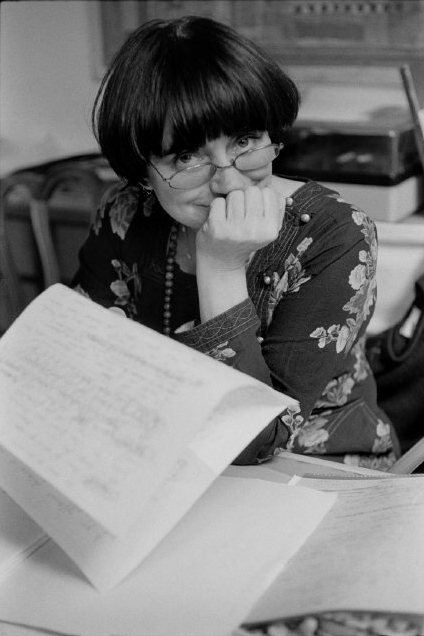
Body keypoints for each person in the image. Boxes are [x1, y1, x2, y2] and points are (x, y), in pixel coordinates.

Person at [72, 15, 400, 469]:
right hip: (166, 453)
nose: (228, 182)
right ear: (141, 171)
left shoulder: (335, 233)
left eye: (245, 140)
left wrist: (221, 266)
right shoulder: (124, 213)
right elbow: (80, 359)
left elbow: (257, 442)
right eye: (186, 156)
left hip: (317, 467)